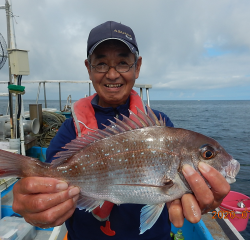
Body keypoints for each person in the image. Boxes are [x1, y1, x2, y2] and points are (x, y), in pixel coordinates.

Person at [12, 21, 230, 240]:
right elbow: (51, 188)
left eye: (123, 63)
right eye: (102, 64)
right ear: (89, 69)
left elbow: (171, 198)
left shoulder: (162, 124)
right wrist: (38, 208)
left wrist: (201, 200)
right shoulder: (71, 129)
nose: (113, 74)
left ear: (137, 66)